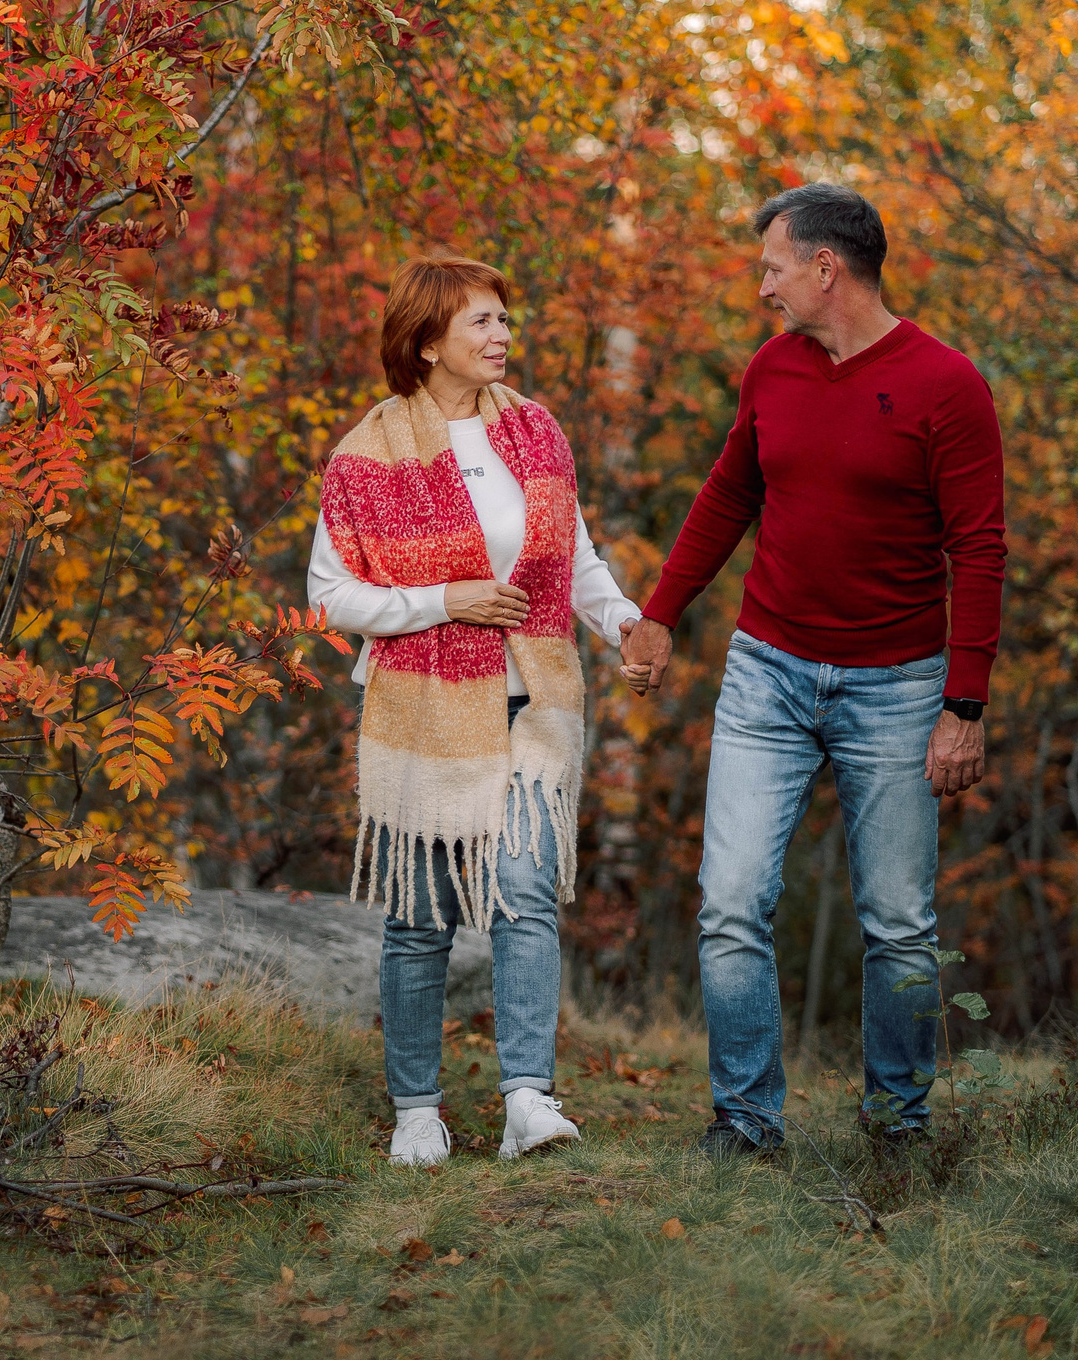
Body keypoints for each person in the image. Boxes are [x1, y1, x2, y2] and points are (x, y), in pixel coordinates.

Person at [620, 183, 1005, 1158]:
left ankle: (896, 1128)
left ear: (824, 269)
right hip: (767, 674)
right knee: (731, 904)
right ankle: (746, 1124)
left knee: (900, 925)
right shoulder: (772, 373)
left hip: (898, 686)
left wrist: (964, 704)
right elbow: (725, 496)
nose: (763, 288)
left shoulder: (944, 386)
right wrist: (659, 613)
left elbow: (981, 549)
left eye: (772, 267)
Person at [310, 255, 645, 1167]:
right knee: (420, 916)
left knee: (527, 894)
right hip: (421, 707)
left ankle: (527, 1100)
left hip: (532, 697)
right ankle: (417, 1111)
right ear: (426, 343)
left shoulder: (535, 434)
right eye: (482, 323)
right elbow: (332, 595)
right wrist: (442, 600)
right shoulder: (368, 453)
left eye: (505, 319)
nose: (503, 336)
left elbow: (574, 563)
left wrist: (624, 623)